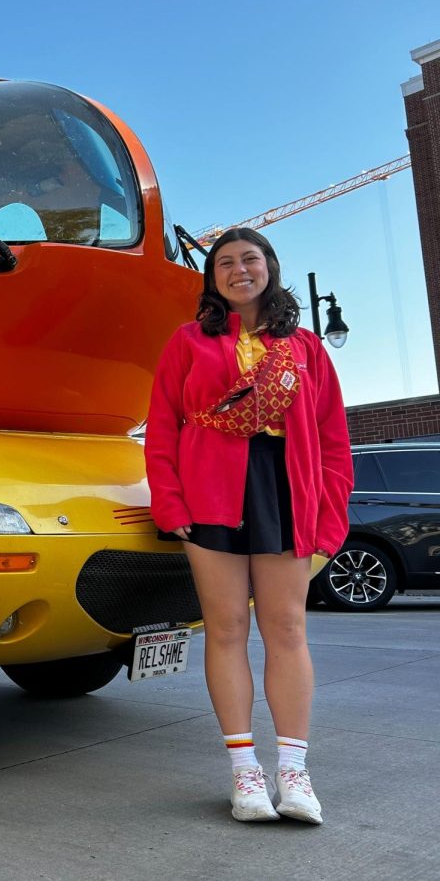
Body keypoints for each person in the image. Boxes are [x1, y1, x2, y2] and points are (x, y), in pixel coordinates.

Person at [145, 228, 353, 825]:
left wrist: (329, 511)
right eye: (226, 263)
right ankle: (245, 773)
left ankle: (294, 770)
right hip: (210, 492)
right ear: (212, 277)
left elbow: (336, 441)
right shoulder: (187, 342)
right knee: (227, 626)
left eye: (250, 259)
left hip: (288, 489)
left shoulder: (308, 348)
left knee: (287, 627)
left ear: (270, 268)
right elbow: (163, 430)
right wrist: (171, 505)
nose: (239, 270)